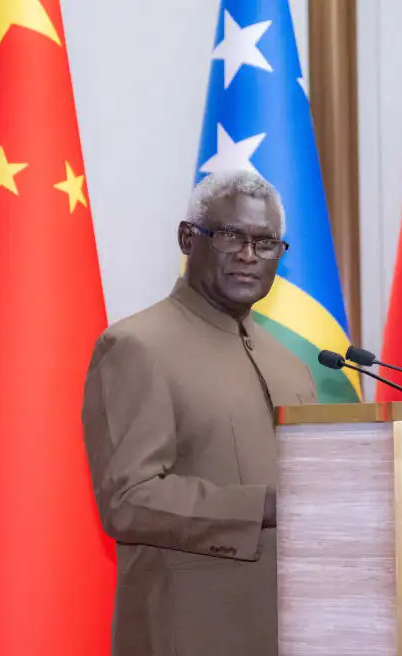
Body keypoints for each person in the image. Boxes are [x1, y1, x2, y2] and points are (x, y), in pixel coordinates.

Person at [81, 170, 318, 656]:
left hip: (295, 629)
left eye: (266, 242)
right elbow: (129, 498)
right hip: (189, 632)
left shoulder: (291, 365)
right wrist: (264, 507)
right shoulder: (136, 347)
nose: (249, 256)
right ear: (189, 238)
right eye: (232, 236)